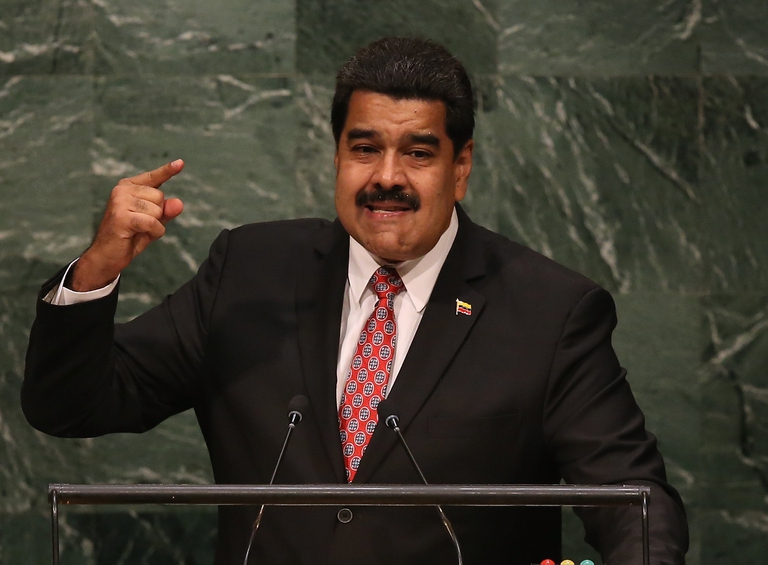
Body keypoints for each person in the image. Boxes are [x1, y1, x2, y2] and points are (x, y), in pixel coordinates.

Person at [22, 37, 688, 564]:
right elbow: (71, 403)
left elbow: (636, 502)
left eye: (418, 153)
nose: (387, 177)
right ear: (336, 156)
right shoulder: (249, 270)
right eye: (364, 148)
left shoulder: (549, 310)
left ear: (462, 166)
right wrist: (97, 269)